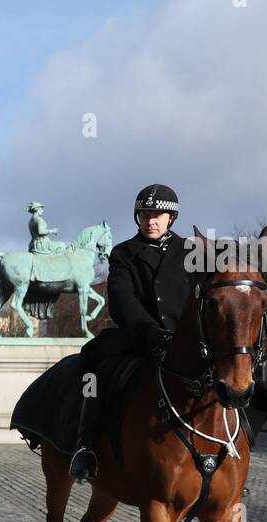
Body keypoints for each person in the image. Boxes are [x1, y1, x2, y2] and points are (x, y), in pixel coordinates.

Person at [69, 183, 194, 482]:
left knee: (230, 377)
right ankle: (86, 446)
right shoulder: (123, 253)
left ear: (171, 219)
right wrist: (150, 331)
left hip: (184, 340)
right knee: (99, 370)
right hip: (140, 338)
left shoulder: (192, 251)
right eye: (144, 214)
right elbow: (123, 301)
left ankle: (233, 454)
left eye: (157, 215)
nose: (150, 220)